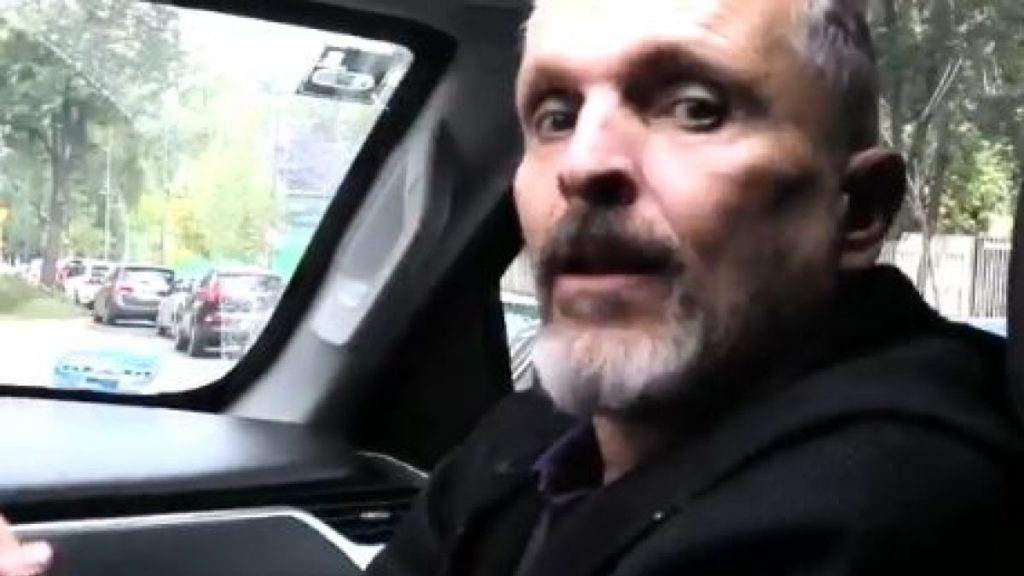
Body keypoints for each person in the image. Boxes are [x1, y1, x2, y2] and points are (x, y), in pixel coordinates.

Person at [1, 0, 1022, 574]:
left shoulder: (884, 512)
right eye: (553, 117)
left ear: (856, 210)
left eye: (694, 106)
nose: (584, 164)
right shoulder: (545, 430)